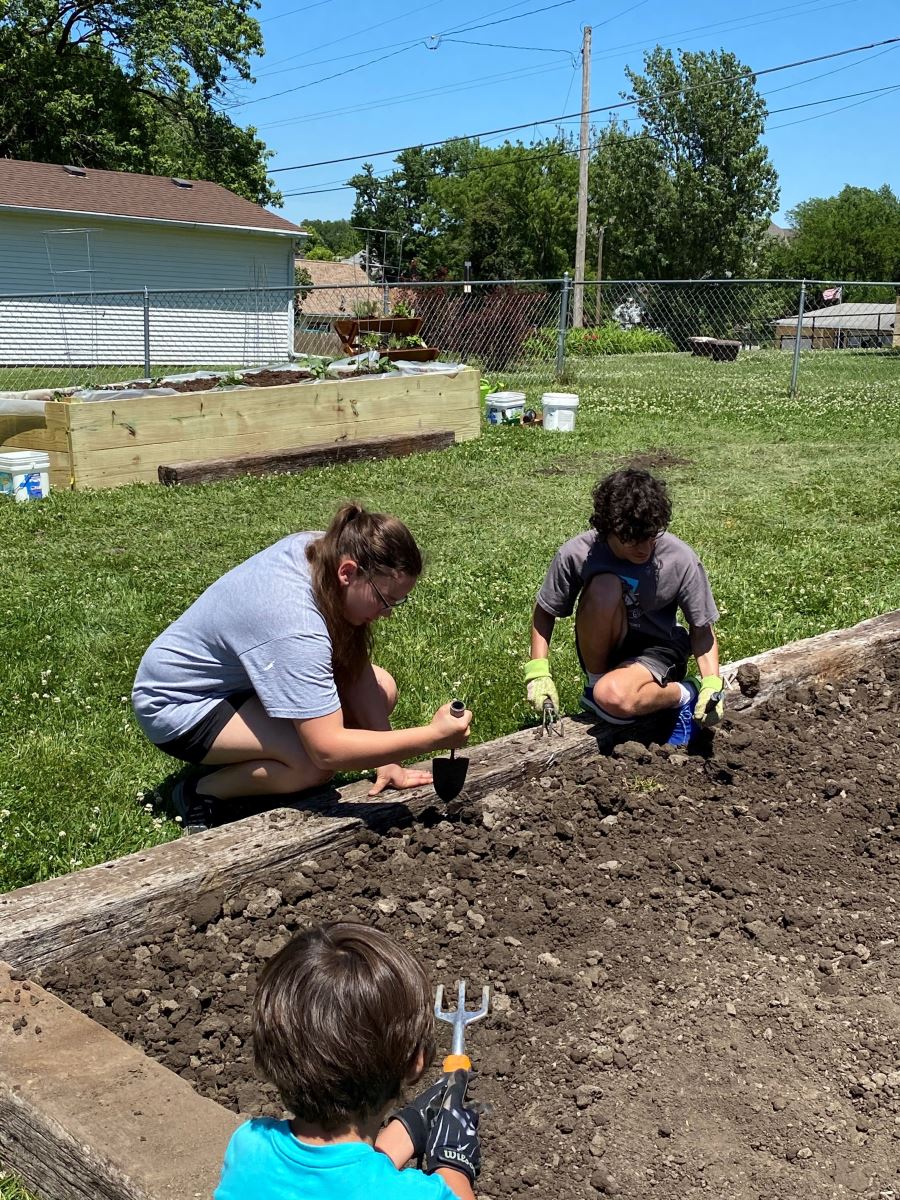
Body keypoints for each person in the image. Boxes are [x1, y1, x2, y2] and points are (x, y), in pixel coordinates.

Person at [132, 503, 472, 832]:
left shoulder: (327, 550)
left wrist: (389, 761)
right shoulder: (295, 627)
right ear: (348, 573)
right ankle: (200, 791)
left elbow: (355, 669)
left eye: (397, 602)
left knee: (382, 689)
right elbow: (327, 750)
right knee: (311, 767)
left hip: (239, 680)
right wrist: (431, 738)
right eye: (385, 600)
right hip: (180, 704)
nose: (388, 613)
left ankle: (269, 747)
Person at [214, 922, 482, 1200]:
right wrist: (452, 1159)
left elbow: (342, 1180)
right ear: (416, 1062)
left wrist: (410, 1125)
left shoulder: (248, 1146)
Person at [524, 468, 723, 748]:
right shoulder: (578, 553)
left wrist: (711, 682)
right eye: (632, 539)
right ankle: (595, 685)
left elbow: (702, 628)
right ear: (608, 529)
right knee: (604, 585)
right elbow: (545, 610)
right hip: (610, 644)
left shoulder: (680, 558)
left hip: (660, 647)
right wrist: (538, 672)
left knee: (613, 697)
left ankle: (685, 693)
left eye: (651, 536)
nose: (645, 549)